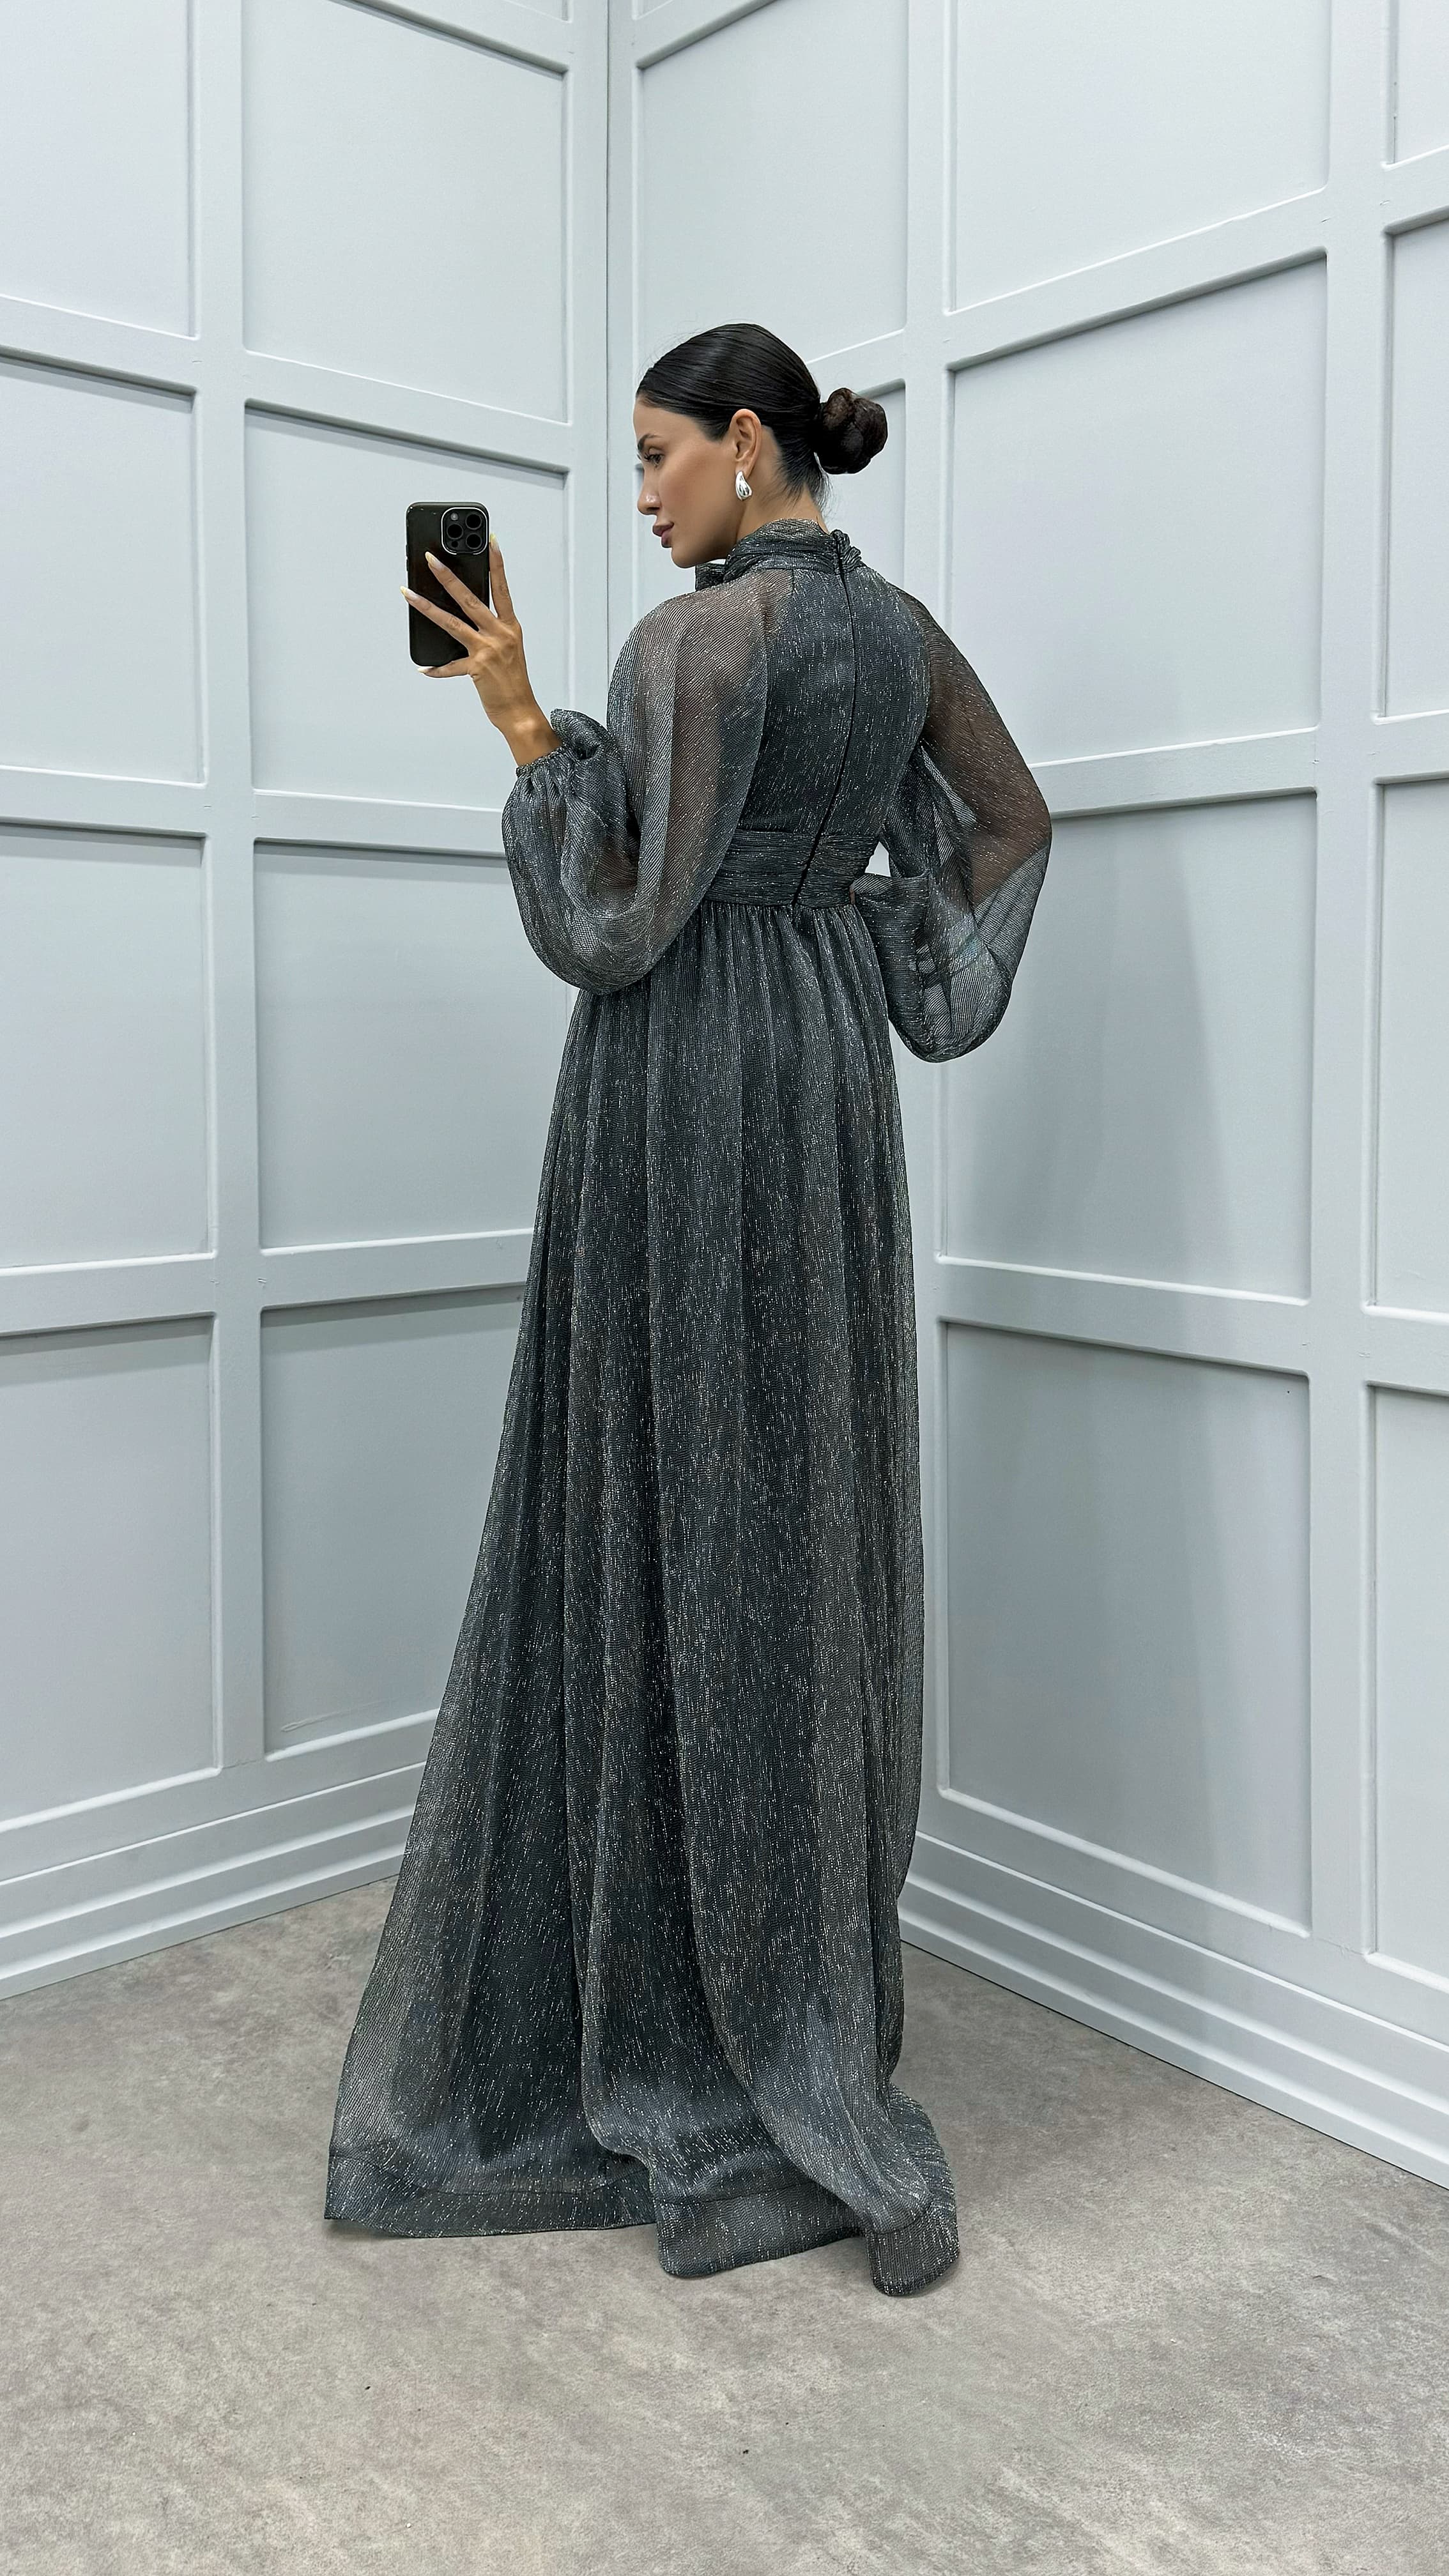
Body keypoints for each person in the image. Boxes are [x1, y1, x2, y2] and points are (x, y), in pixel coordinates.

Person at [324, 321, 1052, 2297]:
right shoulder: (896, 633)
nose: (642, 493)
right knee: (794, 1512)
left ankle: (675, 2018)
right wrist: (863, 942)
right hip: (821, 1084)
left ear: (745, 442)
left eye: (656, 455)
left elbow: (617, 918)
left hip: (682, 1083)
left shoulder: (694, 645)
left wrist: (516, 728)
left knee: (660, 1496)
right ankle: (800, 2009)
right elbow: (1008, 824)